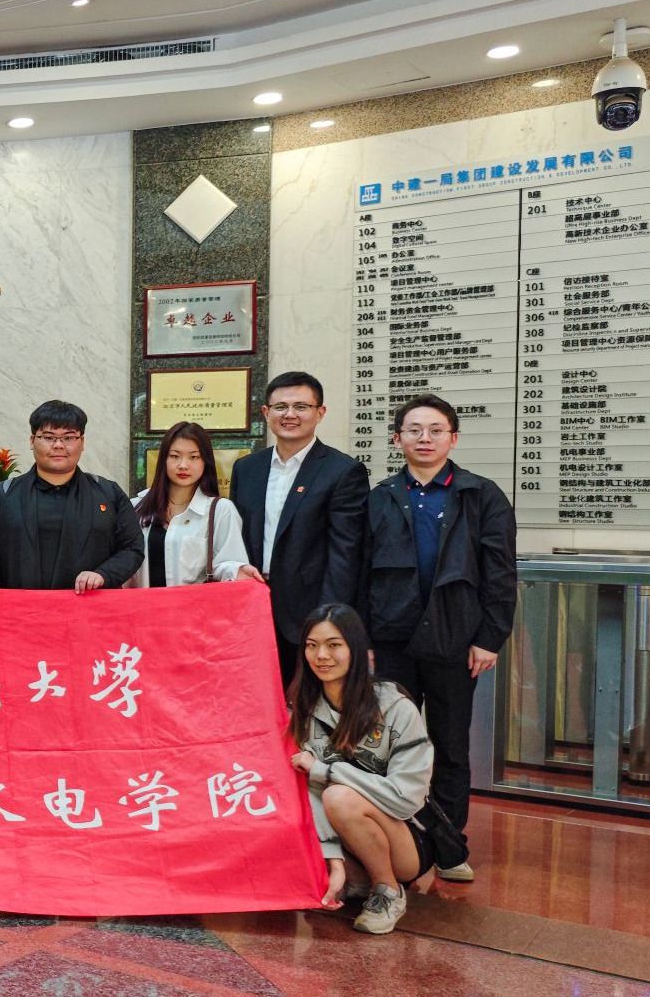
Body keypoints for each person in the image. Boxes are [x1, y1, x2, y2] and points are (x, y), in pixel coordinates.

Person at [363, 393, 516, 884]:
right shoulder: (380, 497)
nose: (424, 438)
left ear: (454, 437)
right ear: (397, 439)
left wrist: (490, 637)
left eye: (435, 430)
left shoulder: (481, 495)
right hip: (392, 638)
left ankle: (449, 847)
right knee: (387, 745)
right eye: (414, 430)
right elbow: (363, 573)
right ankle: (396, 842)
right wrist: (363, 639)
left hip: (456, 637)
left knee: (450, 745)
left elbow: (500, 573)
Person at [290, 603, 436, 935]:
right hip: (340, 840)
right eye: (311, 646)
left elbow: (405, 799)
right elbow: (308, 792)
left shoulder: (396, 707)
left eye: (334, 645)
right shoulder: (303, 708)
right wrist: (333, 860)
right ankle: (350, 877)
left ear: (355, 649)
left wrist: (328, 772)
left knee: (339, 797)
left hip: (404, 840)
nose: (321, 656)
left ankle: (388, 889)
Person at [231, 371, 369, 686]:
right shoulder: (247, 468)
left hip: (309, 613)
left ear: (320, 412)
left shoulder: (343, 471)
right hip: (253, 609)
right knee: (257, 698)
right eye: (280, 407)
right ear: (266, 412)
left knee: (307, 702)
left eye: (301, 407)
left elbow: (345, 554)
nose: (290, 415)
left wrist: (328, 619)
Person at [0, 400, 142, 592]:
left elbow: (132, 548)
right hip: (21, 606)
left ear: (82, 442)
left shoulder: (108, 493)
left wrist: (103, 575)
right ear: (32, 441)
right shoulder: (4, 495)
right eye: (48, 437)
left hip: (90, 605)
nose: (58, 445)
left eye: (69, 437)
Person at [128, 422, 261, 588]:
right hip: (143, 603)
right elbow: (124, 565)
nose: (183, 465)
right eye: (175, 456)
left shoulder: (220, 510)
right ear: (164, 460)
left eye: (194, 457)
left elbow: (226, 563)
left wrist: (238, 570)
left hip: (194, 604)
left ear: (205, 461)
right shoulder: (136, 508)